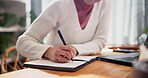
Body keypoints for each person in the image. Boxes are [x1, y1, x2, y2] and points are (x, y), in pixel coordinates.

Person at [16, 0, 111, 63]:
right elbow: (22, 43)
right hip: (54, 71)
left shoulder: (105, 3)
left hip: (84, 68)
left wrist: (75, 49)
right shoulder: (60, 5)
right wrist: (48, 51)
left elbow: (100, 41)